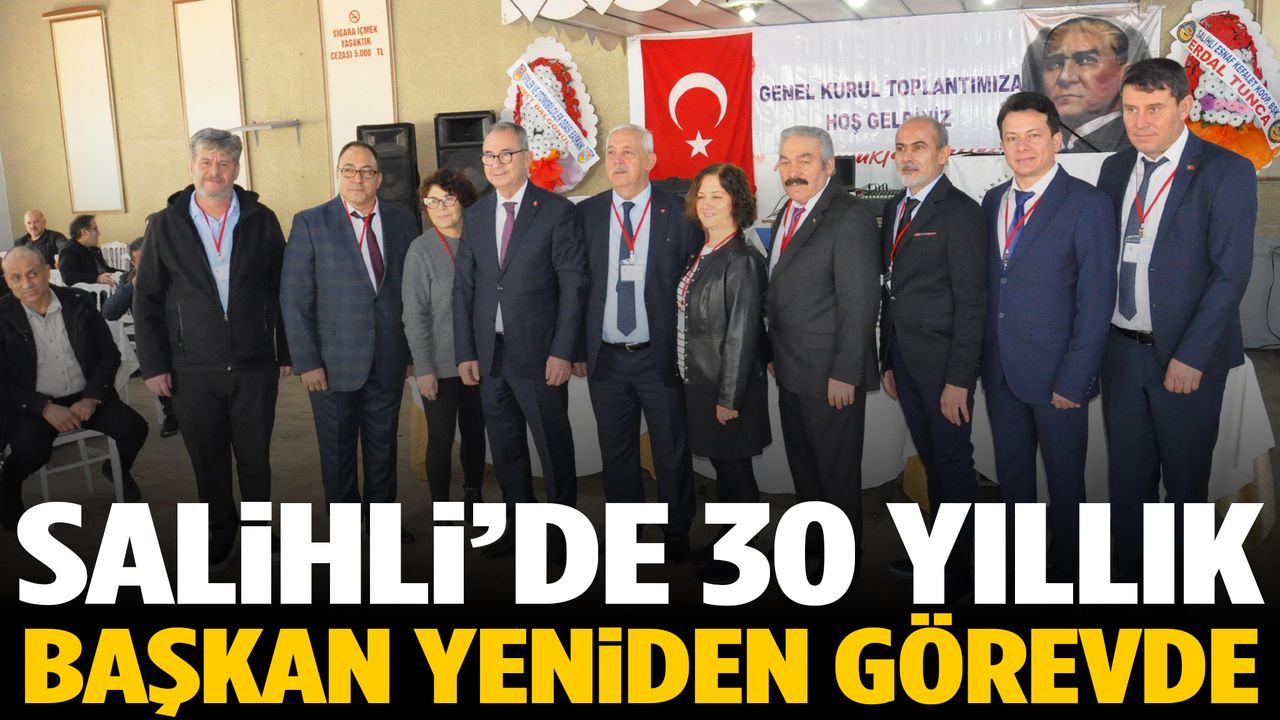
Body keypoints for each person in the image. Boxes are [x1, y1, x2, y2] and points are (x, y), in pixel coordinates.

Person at [1096, 58, 1257, 585]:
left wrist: (1191, 355)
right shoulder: (1114, 169)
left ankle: (1183, 584)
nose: (1140, 122)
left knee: (1185, 480)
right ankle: (1130, 577)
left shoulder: (1225, 170)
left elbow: (1231, 274)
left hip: (1185, 357)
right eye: (1131, 109)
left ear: (1184, 106)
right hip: (1121, 351)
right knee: (1128, 477)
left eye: (1154, 109)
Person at [133, 127, 291, 571]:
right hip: (191, 367)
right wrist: (154, 366)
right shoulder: (164, 225)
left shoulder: (261, 219)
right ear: (192, 166)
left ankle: (257, 531)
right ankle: (220, 531)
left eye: (223, 163)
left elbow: (284, 289)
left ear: (237, 168)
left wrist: (286, 351)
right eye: (206, 162)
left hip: (253, 363)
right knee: (208, 458)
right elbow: (146, 301)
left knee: (254, 457)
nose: (214, 171)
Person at [981, 92, 1117, 583]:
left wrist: (1075, 378)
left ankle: (1070, 572)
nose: (1022, 147)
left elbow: (1096, 300)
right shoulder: (993, 201)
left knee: (1065, 483)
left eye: (1034, 135)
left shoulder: (1087, 203)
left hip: (1059, 374)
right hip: (1001, 371)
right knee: (1013, 478)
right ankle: (1023, 567)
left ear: (1057, 140)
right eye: (1012, 138)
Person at [452, 121, 587, 565]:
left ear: (526, 157)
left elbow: (573, 286)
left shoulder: (556, 212)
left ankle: (562, 536)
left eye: (505, 154)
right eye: (489, 156)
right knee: (506, 449)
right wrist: (466, 351)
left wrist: (563, 350)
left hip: (541, 355)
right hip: (490, 356)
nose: (496, 163)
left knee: (553, 448)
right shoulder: (475, 216)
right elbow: (464, 288)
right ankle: (516, 529)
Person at [573, 124, 700, 563]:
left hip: (659, 356)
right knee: (617, 453)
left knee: (671, 449)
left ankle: (676, 529)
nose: (617, 160)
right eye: (611, 152)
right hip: (606, 358)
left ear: (651, 160)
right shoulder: (587, 214)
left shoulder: (680, 212)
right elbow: (577, 286)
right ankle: (627, 532)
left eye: (628, 151)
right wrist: (577, 349)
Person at [281, 140, 416, 542]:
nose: (358, 178)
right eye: (349, 170)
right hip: (331, 363)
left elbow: (408, 294)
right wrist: (307, 362)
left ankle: (382, 526)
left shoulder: (402, 221)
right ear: (338, 174)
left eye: (367, 171)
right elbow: (294, 299)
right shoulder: (311, 222)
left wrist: (410, 354)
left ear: (379, 178)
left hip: (387, 358)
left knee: (383, 446)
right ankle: (345, 531)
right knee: (338, 451)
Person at [879, 116, 987, 596]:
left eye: (919, 147)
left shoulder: (961, 213)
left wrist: (959, 379)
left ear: (944, 154)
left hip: (945, 368)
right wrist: (886, 359)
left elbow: (971, 302)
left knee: (952, 465)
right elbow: (892, 290)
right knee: (931, 462)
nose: (907, 156)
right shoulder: (895, 207)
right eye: (901, 147)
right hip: (905, 362)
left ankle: (959, 572)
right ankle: (937, 554)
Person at [766, 126, 880, 581]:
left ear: (829, 166)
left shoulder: (849, 216)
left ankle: (841, 564)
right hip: (791, 368)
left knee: (836, 474)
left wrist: (846, 372)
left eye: (805, 160)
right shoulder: (787, 212)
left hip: (831, 374)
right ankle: (814, 544)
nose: (793, 171)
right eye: (785, 161)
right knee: (806, 470)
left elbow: (860, 302)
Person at [0, 246, 147, 529]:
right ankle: (9, 487)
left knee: (134, 428)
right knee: (30, 451)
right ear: (7, 281)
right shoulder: (3, 315)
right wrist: (43, 408)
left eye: (33, 273)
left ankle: (117, 468)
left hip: (84, 395)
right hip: (33, 403)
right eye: (16, 277)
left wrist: (92, 396)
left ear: (47, 272)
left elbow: (108, 354)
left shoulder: (78, 301)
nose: (27, 283)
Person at [678, 163, 770, 583]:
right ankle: (725, 543)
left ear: (737, 201)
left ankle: (744, 557)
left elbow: (742, 334)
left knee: (736, 472)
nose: (707, 203)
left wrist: (729, 398)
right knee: (723, 470)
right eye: (702, 195)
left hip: (727, 388)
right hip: (700, 383)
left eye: (718, 195)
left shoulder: (742, 259)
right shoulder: (704, 251)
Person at [403, 168, 487, 505]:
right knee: (440, 437)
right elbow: (414, 314)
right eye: (431, 201)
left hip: (479, 361)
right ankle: (441, 508)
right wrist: (423, 368)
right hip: (438, 365)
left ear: (463, 200)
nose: (439, 207)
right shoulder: (420, 250)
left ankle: (473, 494)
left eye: (447, 199)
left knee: (475, 432)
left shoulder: (482, 242)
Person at [102, 237, 178, 438]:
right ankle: (172, 413)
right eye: (142, 262)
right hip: (153, 340)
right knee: (153, 357)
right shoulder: (128, 279)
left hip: (179, 335)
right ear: (133, 264)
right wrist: (132, 286)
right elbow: (110, 312)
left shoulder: (173, 274)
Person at [1036, 16, 1137, 153]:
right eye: (1054, 64)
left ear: (1125, 75)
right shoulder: (1043, 143)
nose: (1065, 77)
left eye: (1087, 60)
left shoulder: (1137, 143)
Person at [57, 214, 121, 287]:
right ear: (84, 232)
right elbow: (69, 278)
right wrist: (97, 278)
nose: (99, 233)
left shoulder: (94, 249)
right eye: (95, 229)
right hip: (87, 293)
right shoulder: (68, 251)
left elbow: (105, 270)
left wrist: (126, 273)